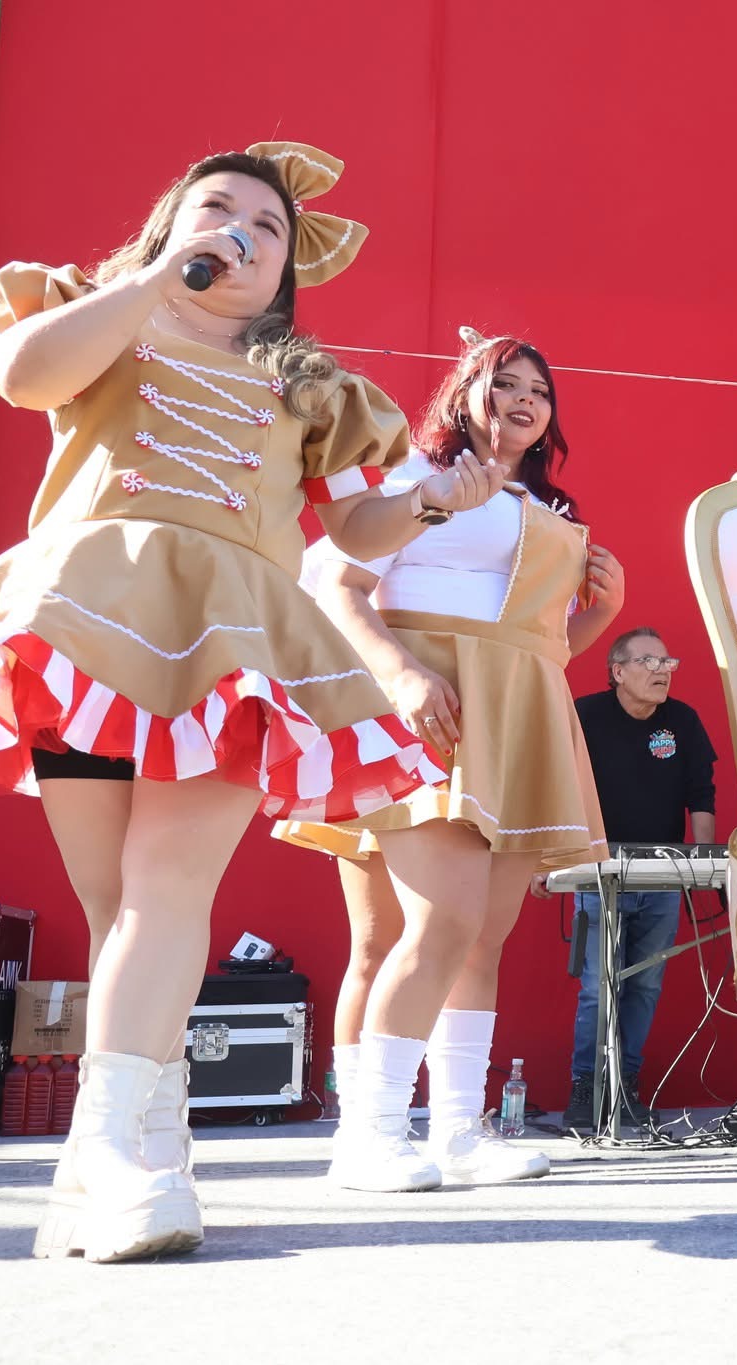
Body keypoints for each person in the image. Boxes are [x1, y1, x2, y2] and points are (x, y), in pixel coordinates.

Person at [0, 142, 490, 1262]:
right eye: (218, 210)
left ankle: (117, 1158)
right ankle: (130, 1148)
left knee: (166, 889)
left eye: (266, 227)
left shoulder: (311, 386)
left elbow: (352, 526)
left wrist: (429, 506)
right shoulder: (85, 305)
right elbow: (26, 378)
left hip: (230, 632)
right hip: (84, 614)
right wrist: (155, 281)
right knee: (114, 899)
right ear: (170, 219)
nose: (242, 232)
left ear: (286, 274)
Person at [275, 327, 623, 1190]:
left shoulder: (552, 513)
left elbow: (540, 648)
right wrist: (399, 675)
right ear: (463, 393)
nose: (524, 398)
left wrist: (599, 618)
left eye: (539, 389)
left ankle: (460, 1132)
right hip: (426, 706)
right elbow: (338, 586)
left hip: (514, 710)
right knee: (425, 928)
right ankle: (369, 1133)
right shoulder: (415, 481)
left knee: (479, 939)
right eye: (504, 381)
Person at [548, 627, 717, 1134]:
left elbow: (701, 794)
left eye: (668, 660)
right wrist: (547, 859)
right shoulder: (585, 715)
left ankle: (625, 1087)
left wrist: (705, 863)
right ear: (618, 672)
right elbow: (553, 785)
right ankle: (586, 1087)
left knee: (644, 986)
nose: (662, 669)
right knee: (599, 987)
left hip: (665, 873)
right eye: (648, 660)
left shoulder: (682, 721)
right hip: (599, 867)